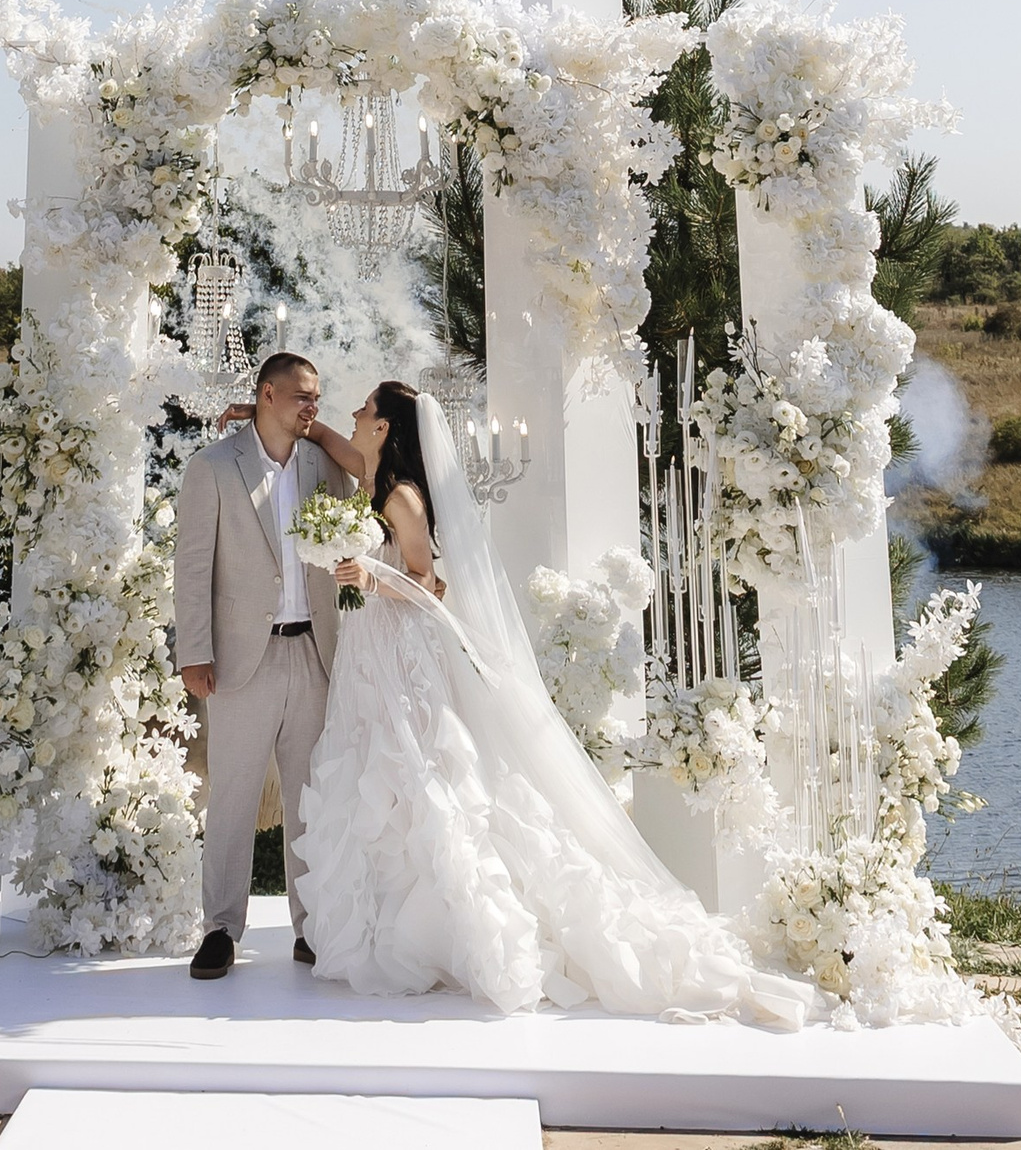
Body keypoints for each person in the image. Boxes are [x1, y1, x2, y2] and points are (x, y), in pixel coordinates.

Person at [287, 379, 818, 1026]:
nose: (354, 414)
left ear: (385, 428)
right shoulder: (369, 474)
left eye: (365, 409)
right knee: (375, 774)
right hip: (368, 651)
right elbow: (337, 446)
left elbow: (426, 577)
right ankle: (386, 921)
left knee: (418, 776)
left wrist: (373, 574)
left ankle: (446, 928)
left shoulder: (401, 496)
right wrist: (306, 425)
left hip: (401, 650)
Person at [170, 349, 361, 982]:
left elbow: (362, 510)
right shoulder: (214, 467)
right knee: (232, 797)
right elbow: (193, 567)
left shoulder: (324, 466)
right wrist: (193, 652)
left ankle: (312, 930)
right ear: (267, 395)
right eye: (302, 395)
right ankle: (221, 930)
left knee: (311, 797)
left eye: (318, 396)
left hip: (314, 652)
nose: (313, 405)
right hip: (237, 659)